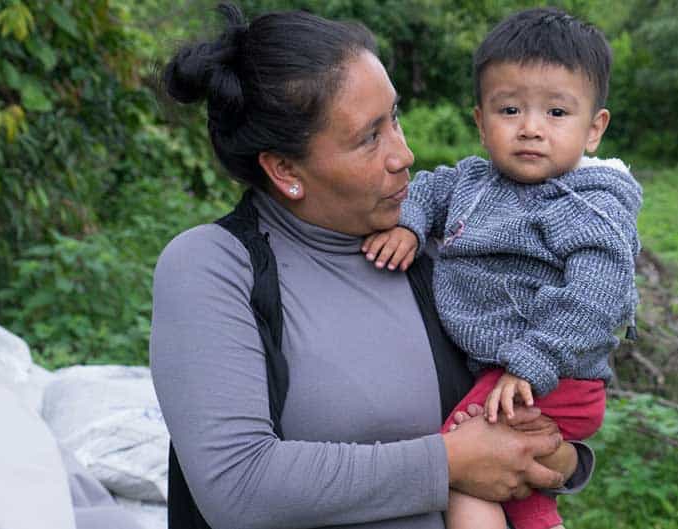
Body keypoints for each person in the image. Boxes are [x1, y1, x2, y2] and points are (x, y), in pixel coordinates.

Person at [150, 4, 597, 529]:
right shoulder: (216, 266)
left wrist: (558, 461)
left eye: (396, 118)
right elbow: (239, 485)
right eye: (369, 137)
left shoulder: (435, 249)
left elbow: (528, 408)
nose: (404, 154)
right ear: (285, 169)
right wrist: (451, 461)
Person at [361, 7, 642, 529]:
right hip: (505, 372)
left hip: (552, 375)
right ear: (481, 122)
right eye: (509, 110)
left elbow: (596, 300)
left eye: (557, 113)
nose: (531, 129)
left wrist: (530, 362)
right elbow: (425, 188)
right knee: (516, 487)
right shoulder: (474, 181)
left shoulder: (587, 208)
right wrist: (411, 226)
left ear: (594, 128)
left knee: (461, 461)